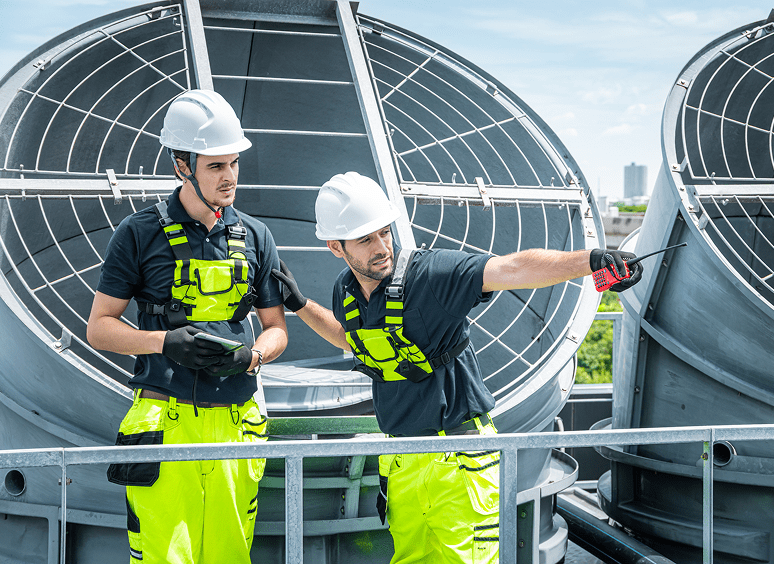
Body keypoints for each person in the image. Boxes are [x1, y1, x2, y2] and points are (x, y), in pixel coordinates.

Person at [271, 171, 641, 564]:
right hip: (402, 460)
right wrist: (300, 305)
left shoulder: (433, 275)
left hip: (459, 458)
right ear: (336, 247)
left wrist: (591, 261)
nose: (382, 247)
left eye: (384, 232)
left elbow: (513, 268)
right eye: (365, 239)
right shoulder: (345, 291)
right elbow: (355, 341)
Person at [86, 89, 287, 564]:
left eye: (234, 163)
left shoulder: (256, 236)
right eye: (216, 166)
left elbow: (277, 328)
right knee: (163, 557)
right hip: (165, 423)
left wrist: (253, 356)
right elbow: (99, 328)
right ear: (182, 166)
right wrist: (164, 342)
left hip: (237, 424)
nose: (230, 176)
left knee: (230, 556)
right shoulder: (138, 233)